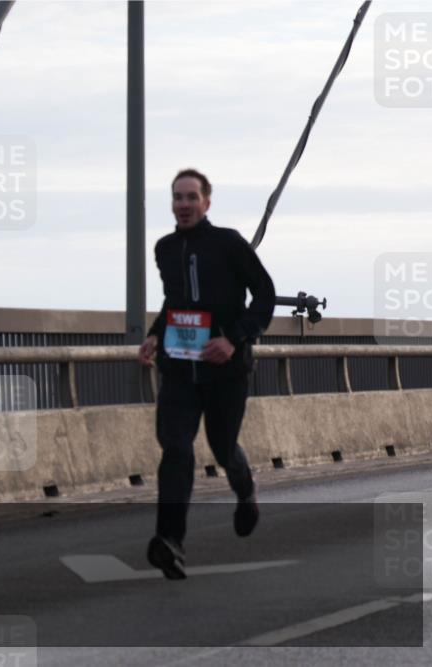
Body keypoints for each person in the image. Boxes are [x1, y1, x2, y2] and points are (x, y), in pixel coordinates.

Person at [139, 168, 276, 580]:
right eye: (177, 198)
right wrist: (154, 334)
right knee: (176, 449)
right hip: (180, 369)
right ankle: (170, 542)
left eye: (191, 197)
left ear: (206, 202)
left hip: (225, 370)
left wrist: (234, 340)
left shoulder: (228, 243)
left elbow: (264, 296)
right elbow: (174, 302)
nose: (183, 205)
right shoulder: (164, 248)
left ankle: (245, 489)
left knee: (222, 445)